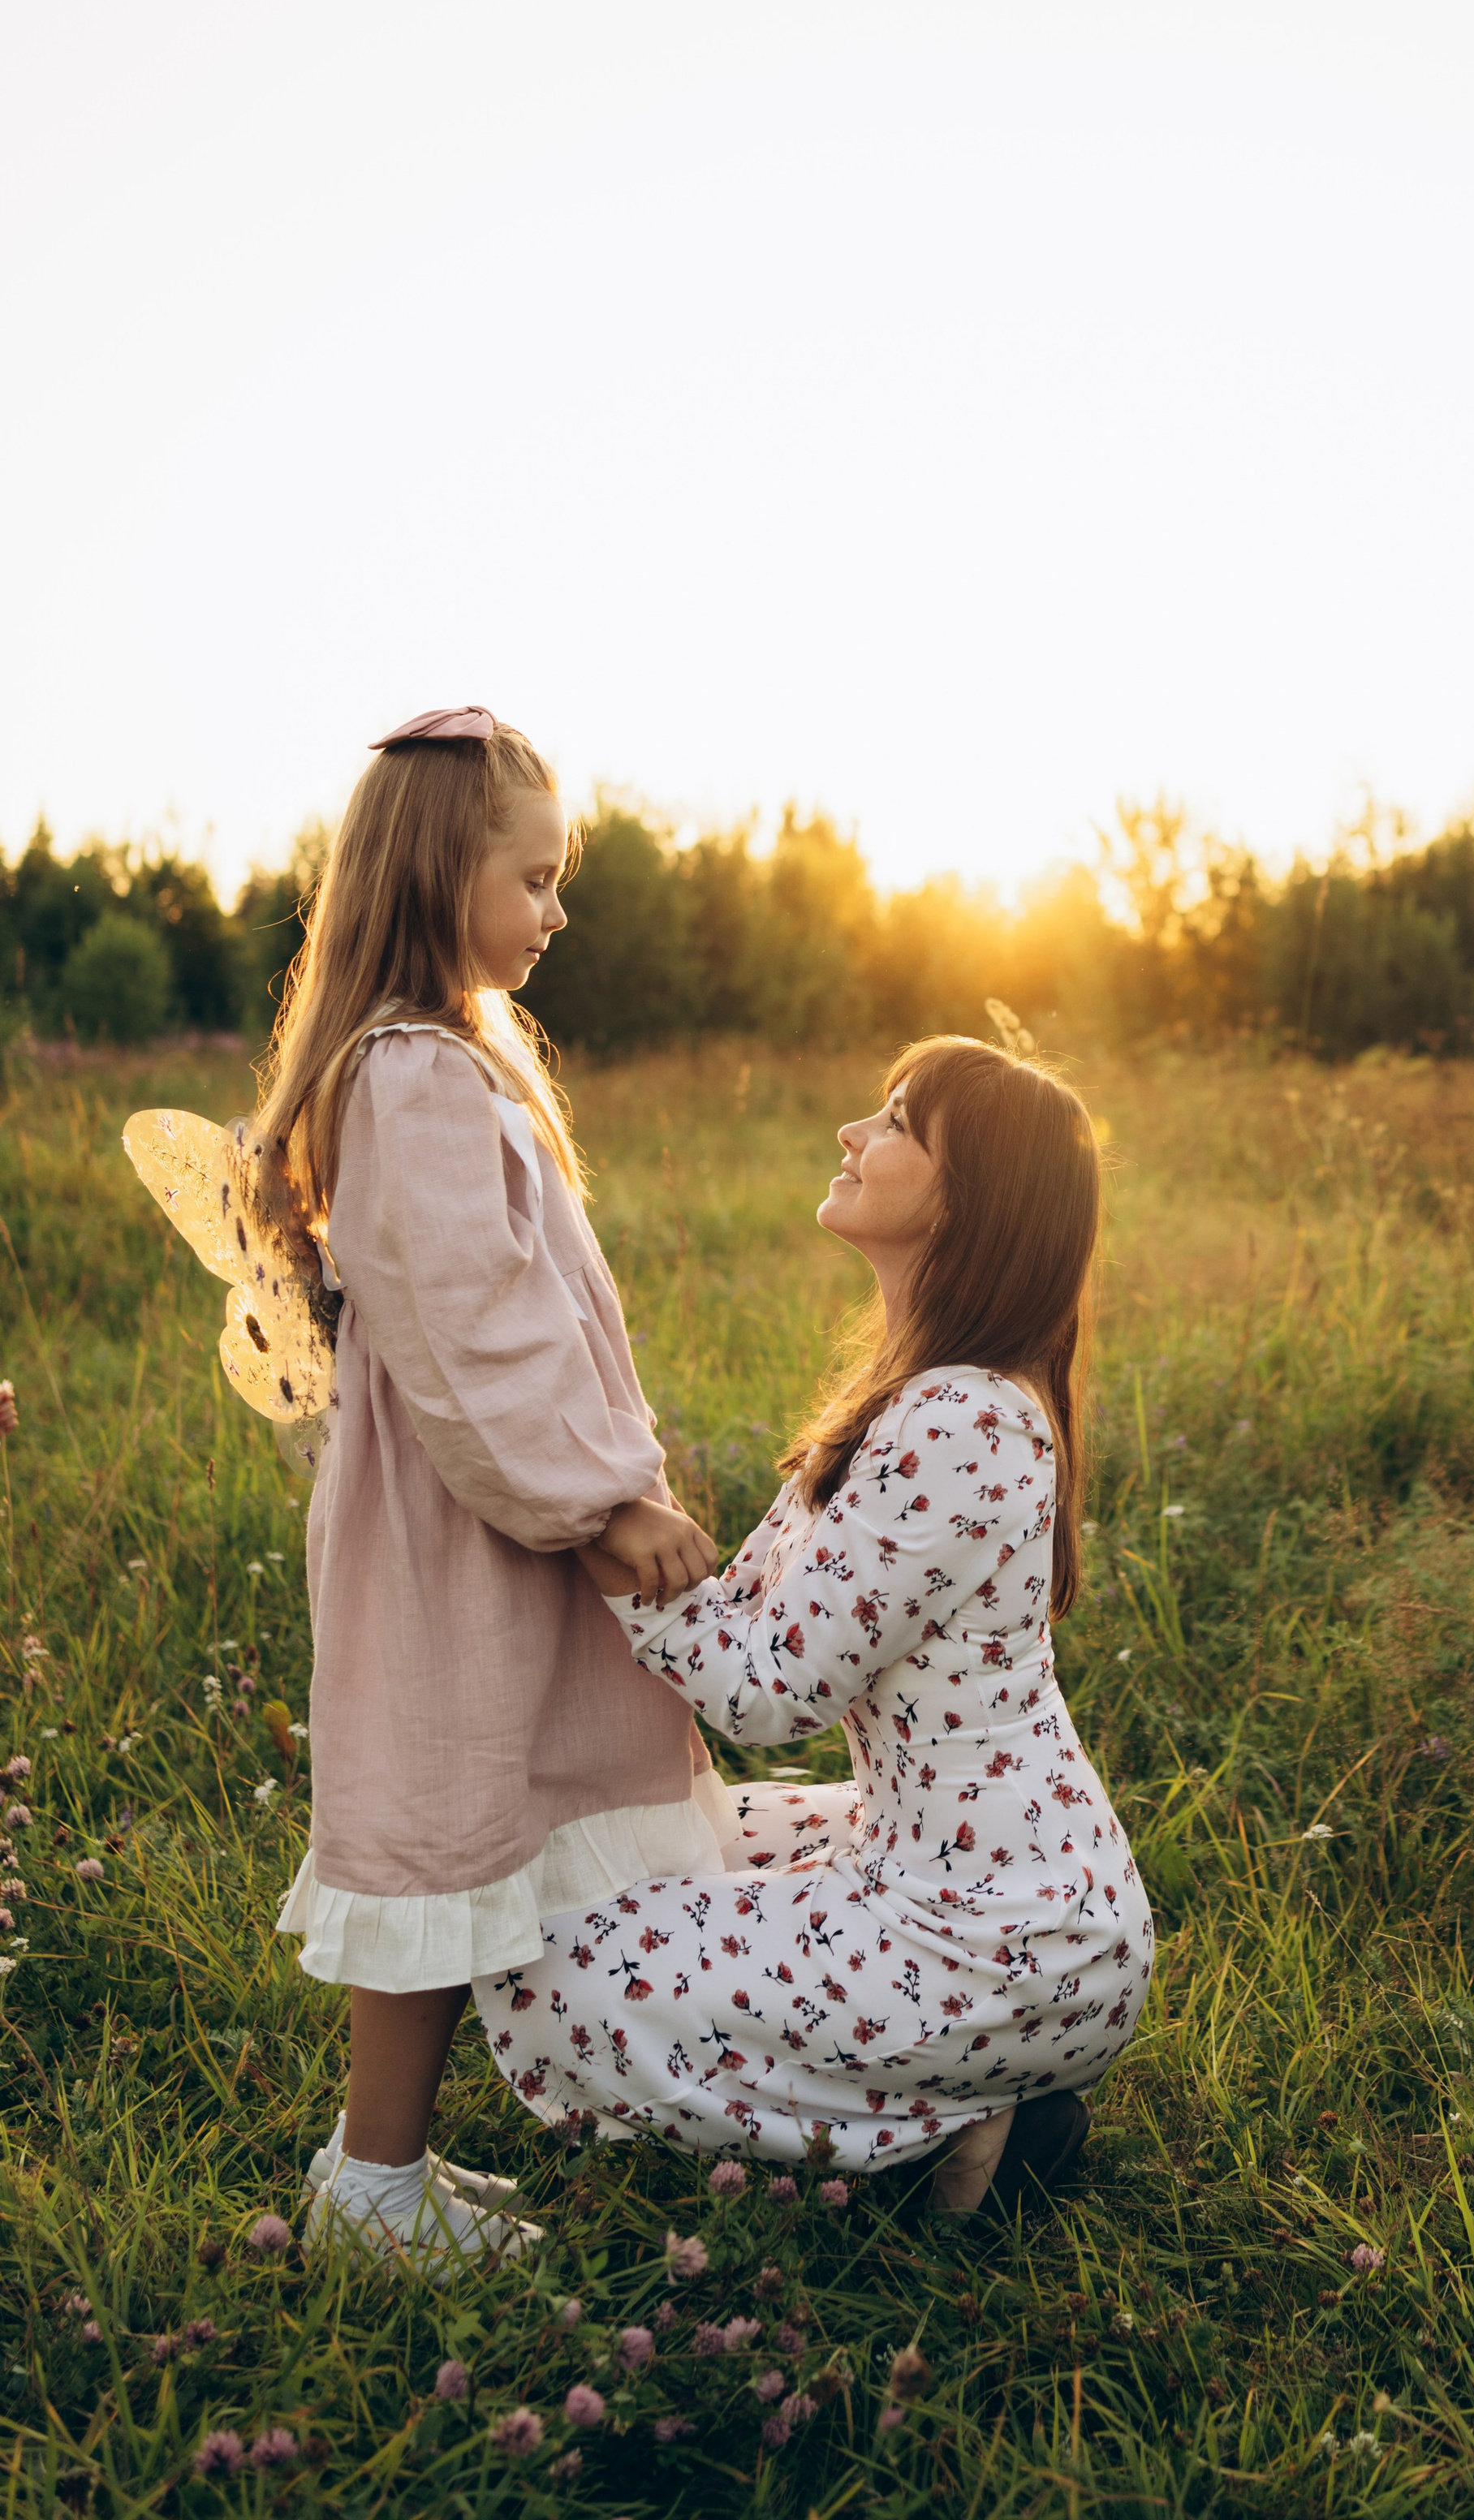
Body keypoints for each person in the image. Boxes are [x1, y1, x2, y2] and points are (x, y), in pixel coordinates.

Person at [475, 1036, 1153, 2213]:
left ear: (971, 1200)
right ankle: (970, 2112)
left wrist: (593, 1535)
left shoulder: (962, 1423)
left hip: (1005, 1938)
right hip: (950, 1867)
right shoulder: (919, 1393)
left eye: (895, 1122)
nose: (854, 1133)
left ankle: (937, 2137)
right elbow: (745, 1609)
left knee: (553, 1969)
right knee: (636, 1841)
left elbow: (763, 1693)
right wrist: (627, 1528)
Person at [257, 705, 729, 2270]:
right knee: (443, 1829)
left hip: (485, 1517)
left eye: (561, 878)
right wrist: (603, 1504)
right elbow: (474, 1331)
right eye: (534, 879)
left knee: (481, 1829)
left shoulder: (453, 1062)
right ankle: (367, 2188)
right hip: (470, 1528)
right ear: (437, 869)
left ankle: (389, 2171)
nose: (557, 910)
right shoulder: (408, 1074)